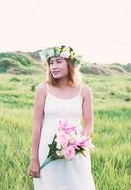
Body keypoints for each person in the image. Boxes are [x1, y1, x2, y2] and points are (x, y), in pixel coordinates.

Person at [28, 45, 96, 189]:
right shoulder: (43, 89)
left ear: (70, 64)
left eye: (58, 61)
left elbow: (89, 125)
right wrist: (34, 159)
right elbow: (37, 126)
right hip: (47, 149)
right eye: (51, 63)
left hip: (74, 151)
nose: (53, 66)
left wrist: (77, 142)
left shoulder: (84, 91)